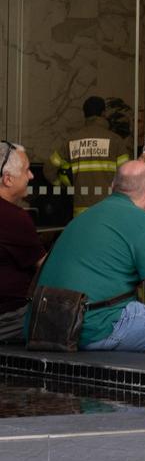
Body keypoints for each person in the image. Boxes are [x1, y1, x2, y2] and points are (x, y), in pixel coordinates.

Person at [30, 160, 145, 351]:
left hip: (46, 325)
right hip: (94, 329)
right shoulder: (144, 221)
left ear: (112, 186)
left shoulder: (81, 217)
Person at [48, 96, 132, 216]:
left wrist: (63, 185)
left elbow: (49, 169)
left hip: (81, 211)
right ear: (103, 113)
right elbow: (126, 175)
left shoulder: (72, 141)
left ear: (85, 114)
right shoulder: (115, 141)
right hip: (109, 208)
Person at [0, 141, 43, 341]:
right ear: (8, 179)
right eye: (27, 170)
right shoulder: (13, 218)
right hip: (10, 318)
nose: (31, 176)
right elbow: (45, 266)